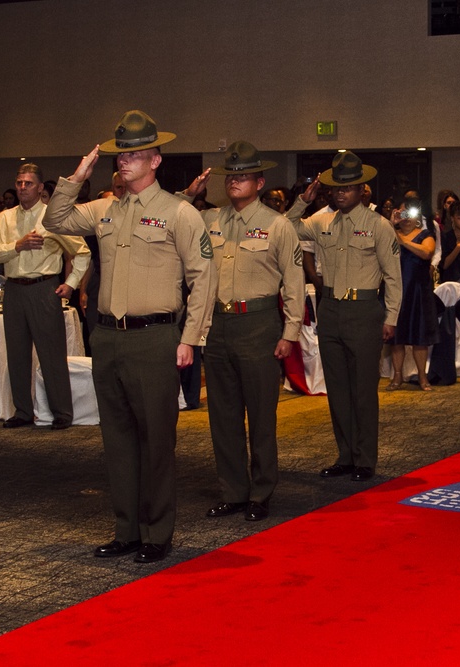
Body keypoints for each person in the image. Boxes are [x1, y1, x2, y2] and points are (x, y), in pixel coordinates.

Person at [42, 109, 216, 564]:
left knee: (157, 441)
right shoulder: (103, 210)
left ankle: (157, 532)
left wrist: (190, 339)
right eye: (119, 155)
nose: (123, 162)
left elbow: (203, 278)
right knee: (117, 440)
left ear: (155, 160)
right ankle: (127, 530)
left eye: (134, 155)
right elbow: (55, 219)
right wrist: (78, 175)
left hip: (156, 338)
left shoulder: (179, 213)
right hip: (109, 338)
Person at [179, 141, 304, 522]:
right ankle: (233, 491)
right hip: (218, 326)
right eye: (231, 176)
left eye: (244, 176)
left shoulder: (277, 225)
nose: (235, 182)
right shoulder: (208, 220)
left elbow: (295, 283)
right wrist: (189, 195)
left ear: (260, 182)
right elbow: (168, 213)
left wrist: (290, 332)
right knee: (223, 415)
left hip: (259, 325)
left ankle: (261, 492)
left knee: (261, 416)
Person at [285, 152, 401, 481]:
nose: (340, 193)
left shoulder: (378, 226)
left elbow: (393, 277)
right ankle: (346, 455)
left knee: (363, 390)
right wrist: (301, 202)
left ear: (361, 189)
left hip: (365, 310)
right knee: (337, 389)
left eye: (347, 187)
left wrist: (391, 317)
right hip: (331, 309)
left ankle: (365, 460)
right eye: (336, 187)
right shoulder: (321, 222)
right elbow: (286, 229)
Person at [0, 164, 90, 431]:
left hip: (45, 288)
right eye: (19, 183)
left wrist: (71, 284)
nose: (22, 188)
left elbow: (83, 253)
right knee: (17, 354)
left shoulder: (52, 217)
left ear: (41, 188)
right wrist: (17, 245)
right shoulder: (4, 218)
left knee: (52, 354)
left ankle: (62, 412)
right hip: (14, 289)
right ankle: (22, 410)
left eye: (28, 183)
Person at [388, 195, 439, 391]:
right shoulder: (392, 232)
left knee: (420, 338)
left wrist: (402, 241)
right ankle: (397, 376)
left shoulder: (425, 234)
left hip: (418, 290)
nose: (406, 217)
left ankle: (423, 377)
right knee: (396, 337)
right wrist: (393, 227)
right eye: (402, 213)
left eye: (410, 213)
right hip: (396, 290)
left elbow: (427, 253)